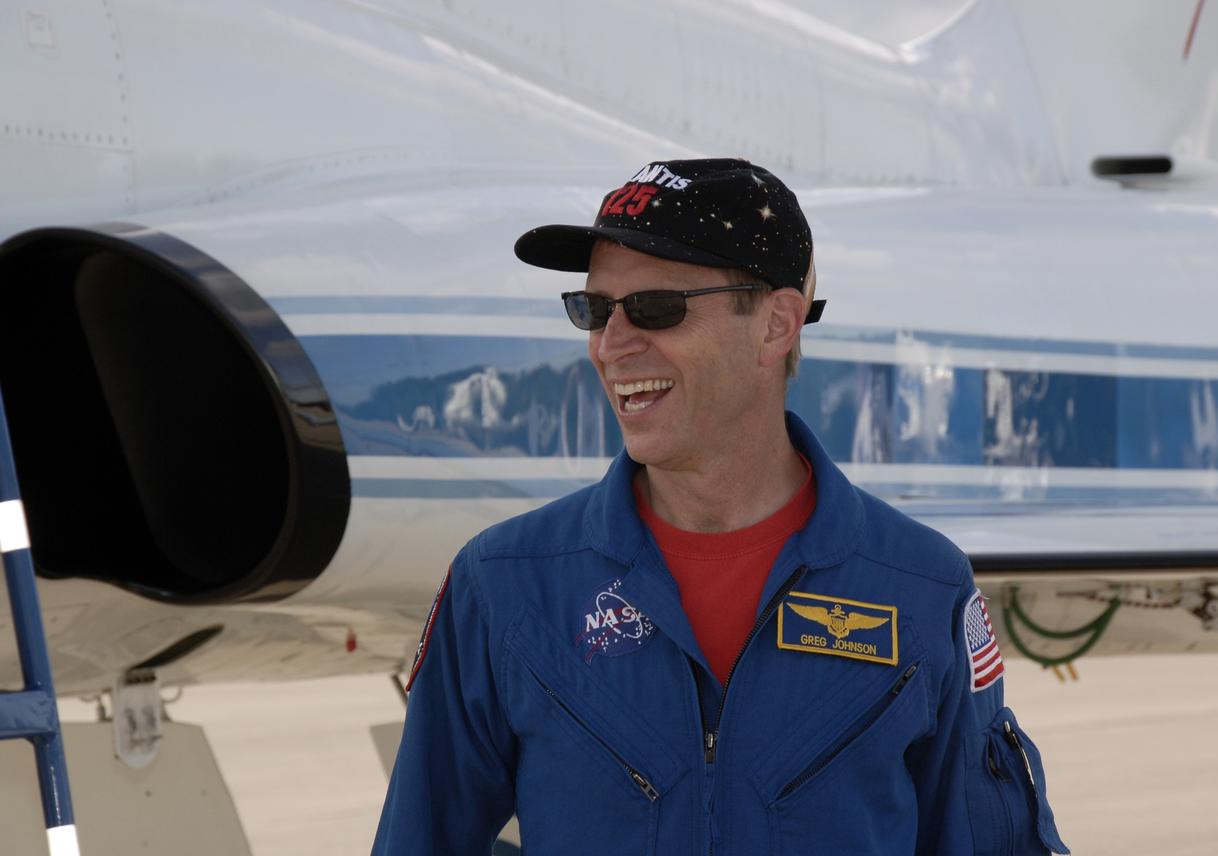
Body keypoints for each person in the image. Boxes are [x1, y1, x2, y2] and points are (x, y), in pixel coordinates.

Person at [373, 158, 1069, 855]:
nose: (611, 345)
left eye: (655, 308)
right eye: (592, 309)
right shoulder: (502, 586)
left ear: (776, 325)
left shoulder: (921, 589)